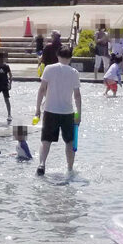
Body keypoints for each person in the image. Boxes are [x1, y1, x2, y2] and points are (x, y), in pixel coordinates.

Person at [35, 46, 81, 176]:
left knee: (46, 141)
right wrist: (79, 114)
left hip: (50, 110)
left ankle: (42, 164)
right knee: (70, 142)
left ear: (57, 55)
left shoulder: (49, 69)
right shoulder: (74, 72)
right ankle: (70, 169)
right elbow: (77, 96)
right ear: (70, 58)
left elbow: (42, 89)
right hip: (67, 112)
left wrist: (37, 109)